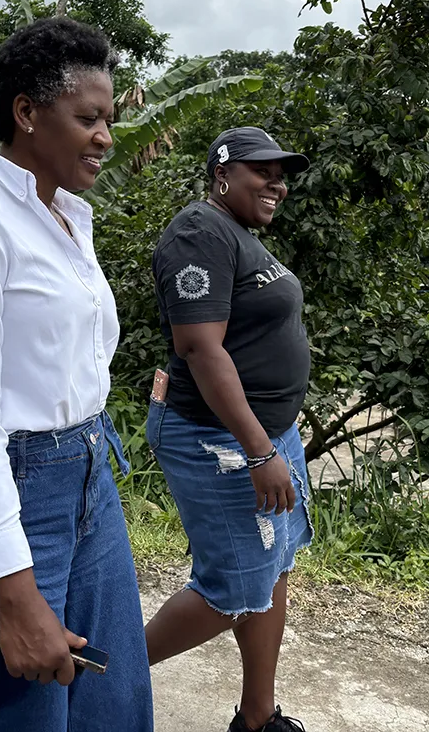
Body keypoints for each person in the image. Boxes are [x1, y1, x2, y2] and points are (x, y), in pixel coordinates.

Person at [0, 17, 153, 732]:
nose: (107, 136)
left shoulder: (66, 220)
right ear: (26, 112)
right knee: (21, 717)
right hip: (14, 486)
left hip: (88, 475)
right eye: (88, 118)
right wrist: (15, 593)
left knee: (114, 705)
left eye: (109, 118)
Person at [145, 127, 314, 732]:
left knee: (273, 571)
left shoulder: (237, 235)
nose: (277, 184)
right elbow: (200, 347)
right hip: (220, 442)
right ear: (222, 173)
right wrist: (259, 449)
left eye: (281, 174)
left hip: (266, 437)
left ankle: (257, 718)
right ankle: (105, 675)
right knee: (235, 585)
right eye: (261, 172)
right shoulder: (199, 231)